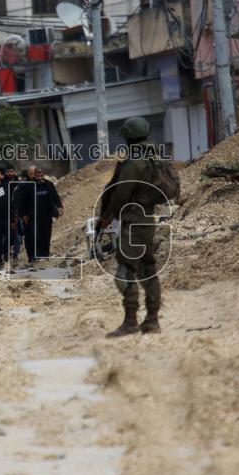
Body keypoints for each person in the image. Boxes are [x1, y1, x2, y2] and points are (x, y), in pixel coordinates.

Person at [98, 116, 179, 338]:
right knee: (147, 269)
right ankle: (152, 320)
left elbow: (121, 194)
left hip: (132, 221)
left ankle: (130, 321)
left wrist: (107, 217)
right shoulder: (155, 158)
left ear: (127, 136)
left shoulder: (134, 162)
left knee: (125, 271)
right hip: (147, 219)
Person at [22, 167, 62, 258]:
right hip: (33, 216)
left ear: (43, 174)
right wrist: (23, 214)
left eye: (41, 174)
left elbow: (55, 196)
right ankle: (36, 256)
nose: (39, 175)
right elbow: (23, 201)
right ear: (34, 175)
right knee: (35, 236)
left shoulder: (49, 184)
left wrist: (60, 206)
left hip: (46, 215)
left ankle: (45, 255)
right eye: (37, 174)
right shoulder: (29, 186)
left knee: (46, 235)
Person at [4, 166, 24, 261]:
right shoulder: (2, 184)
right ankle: (6, 253)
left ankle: (15, 254)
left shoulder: (18, 184)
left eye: (11, 171)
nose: (10, 173)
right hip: (5, 213)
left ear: (14, 172)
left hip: (17, 213)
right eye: (8, 172)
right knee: (6, 235)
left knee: (18, 235)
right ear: (5, 173)